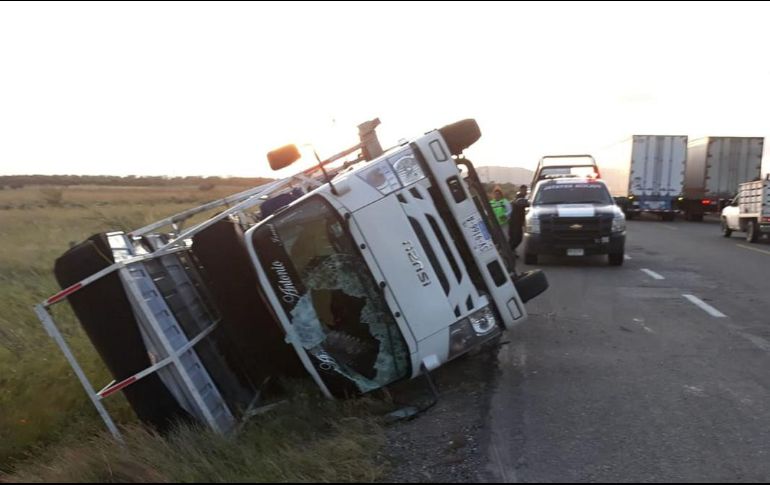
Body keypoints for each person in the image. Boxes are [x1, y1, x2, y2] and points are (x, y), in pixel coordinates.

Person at [509, 185, 529, 254]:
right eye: (524, 190)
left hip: (518, 221)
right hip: (515, 221)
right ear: (520, 190)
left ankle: (510, 251)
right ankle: (509, 251)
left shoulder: (524, 197)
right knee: (517, 238)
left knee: (516, 238)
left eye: (526, 190)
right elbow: (524, 204)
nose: (525, 192)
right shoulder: (519, 197)